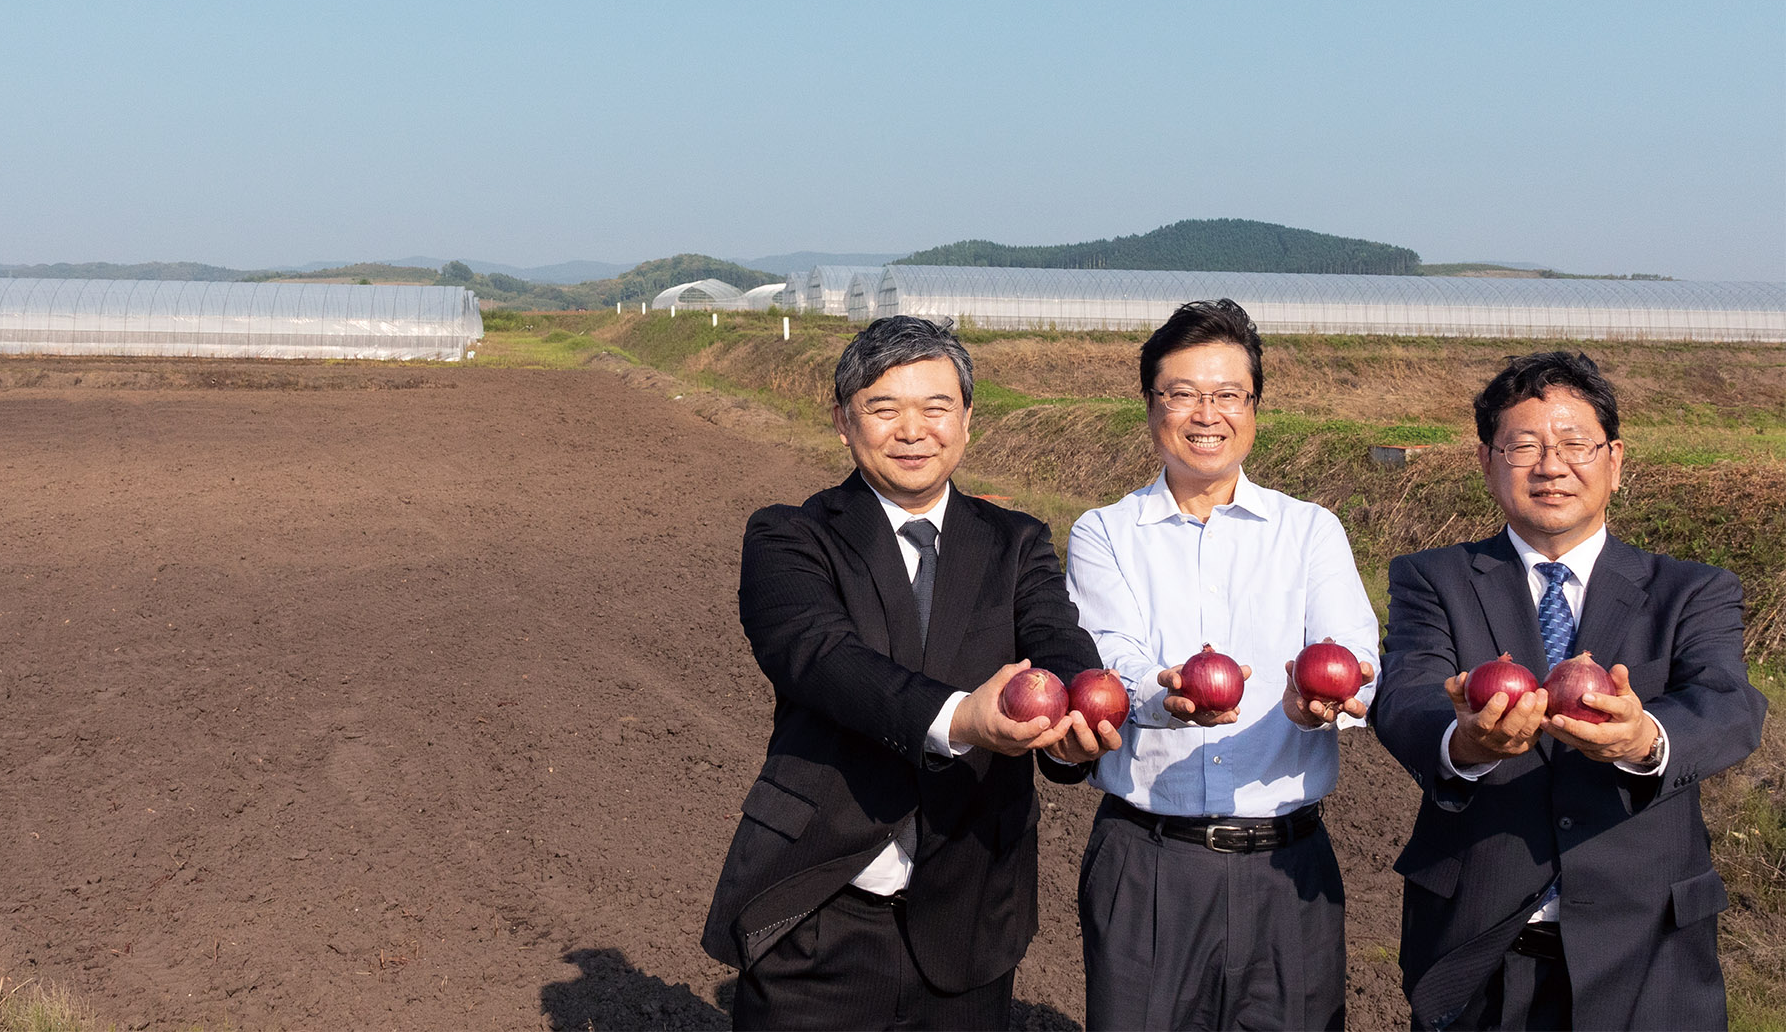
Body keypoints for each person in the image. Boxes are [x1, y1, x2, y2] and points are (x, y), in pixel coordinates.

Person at [701, 315, 1119, 1031]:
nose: (913, 429)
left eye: (936, 407)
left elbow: (1057, 639)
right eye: (883, 407)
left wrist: (1076, 721)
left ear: (967, 420)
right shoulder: (791, 536)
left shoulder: (1015, 541)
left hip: (969, 920)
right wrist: (963, 717)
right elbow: (821, 657)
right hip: (822, 906)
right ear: (843, 421)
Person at [1372, 350, 1767, 1030]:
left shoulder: (1690, 590)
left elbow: (1728, 701)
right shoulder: (1432, 577)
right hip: (1479, 953)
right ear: (1487, 462)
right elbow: (1406, 692)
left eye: (1574, 444)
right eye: (1523, 445)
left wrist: (1646, 737)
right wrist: (1464, 739)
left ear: (1613, 461)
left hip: (1648, 953)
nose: (1550, 465)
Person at [1064, 298, 1380, 1030]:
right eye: (1182, 393)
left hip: (1287, 869)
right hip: (1149, 864)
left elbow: (1356, 657)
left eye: (1227, 394)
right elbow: (1114, 658)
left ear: (1254, 407)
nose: (1206, 413)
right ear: (1151, 407)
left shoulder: (1309, 532)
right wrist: (1162, 692)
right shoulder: (1104, 533)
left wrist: (1326, 699)